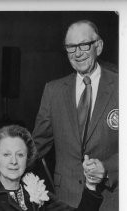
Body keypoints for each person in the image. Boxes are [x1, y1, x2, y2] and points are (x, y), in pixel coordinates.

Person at [32, 20, 118, 211]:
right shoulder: (53, 91)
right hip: (67, 201)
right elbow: (36, 145)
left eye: (84, 45)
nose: (77, 53)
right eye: (71, 47)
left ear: (99, 46)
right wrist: (5, 169)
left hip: (112, 199)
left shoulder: (121, 87)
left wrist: (107, 168)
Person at [0, 125, 103, 211]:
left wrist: (91, 185)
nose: (14, 162)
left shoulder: (37, 193)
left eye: (20, 155)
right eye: (6, 155)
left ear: (28, 158)